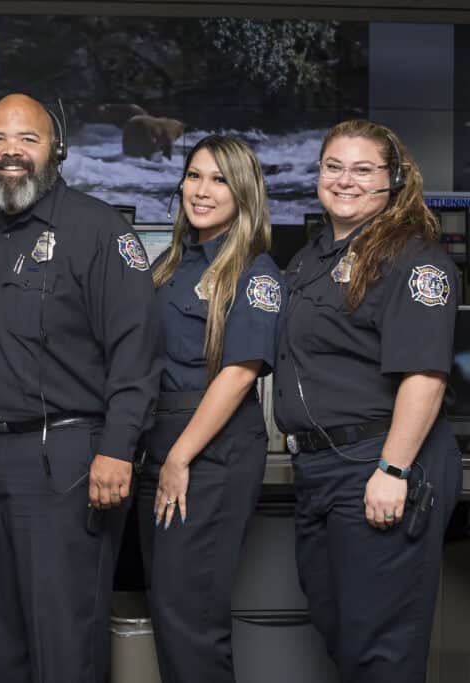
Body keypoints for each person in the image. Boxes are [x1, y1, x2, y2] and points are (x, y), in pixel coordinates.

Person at [0, 93, 160, 682]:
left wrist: (117, 449)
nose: (11, 152)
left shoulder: (100, 232)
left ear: (57, 152)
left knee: (63, 635)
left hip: (65, 458)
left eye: (28, 140)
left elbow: (137, 354)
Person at [273, 119, 462, 682]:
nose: (344, 180)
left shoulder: (414, 260)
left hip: (376, 462)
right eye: (333, 167)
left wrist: (393, 467)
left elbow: (425, 376)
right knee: (339, 630)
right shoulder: (312, 258)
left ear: (394, 180)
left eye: (363, 169)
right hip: (321, 469)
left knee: (380, 648)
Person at [137, 135, 284, 683]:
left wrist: (179, 458)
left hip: (208, 455)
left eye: (219, 180)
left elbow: (239, 372)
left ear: (243, 192)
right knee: (170, 609)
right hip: (161, 444)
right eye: (194, 176)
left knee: (190, 616)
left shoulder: (256, 273)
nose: (202, 191)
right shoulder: (172, 263)